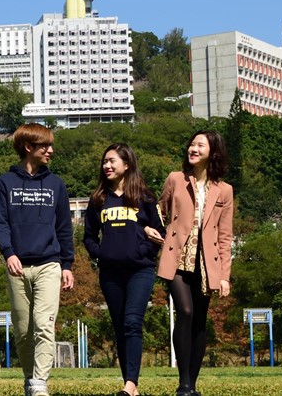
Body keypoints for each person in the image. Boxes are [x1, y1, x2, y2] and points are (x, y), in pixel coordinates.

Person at [0, 122, 75, 396]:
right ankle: (30, 379)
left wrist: (67, 265)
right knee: (24, 332)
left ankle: (40, 383)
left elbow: (64, 227)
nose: (51, 150)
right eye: (45, 146)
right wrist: (8, 253)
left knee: (44, 325)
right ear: (28, 147)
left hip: (49, 265)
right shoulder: (4, 183)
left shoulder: (56, 184)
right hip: (17, 266)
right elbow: (1, 223)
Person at [150, 130, 233, 396]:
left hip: (208, 264)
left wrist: (224, 276)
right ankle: (183, 382)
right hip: (176, 258)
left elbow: (225, 236)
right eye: (192, 144)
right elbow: (157, 209)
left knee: (199, 321)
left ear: (213, 152)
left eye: (200, 145)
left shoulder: (225, 190)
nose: (193, 149)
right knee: (184, 312)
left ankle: (192, 384)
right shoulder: (175, 179)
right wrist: (153, 231)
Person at [83, 143, 166, 396]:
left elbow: (161, 232)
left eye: (112, 161)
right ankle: (129, 384)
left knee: (132, 322)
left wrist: (146, 247)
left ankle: (131, 385)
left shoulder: (146, 197)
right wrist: (102, 255)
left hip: (140, 270)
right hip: (110, 274)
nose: (107, 165)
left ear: (126, 164)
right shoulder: (98, 199)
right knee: (120, 327)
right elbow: (88, 237)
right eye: (104, 161)